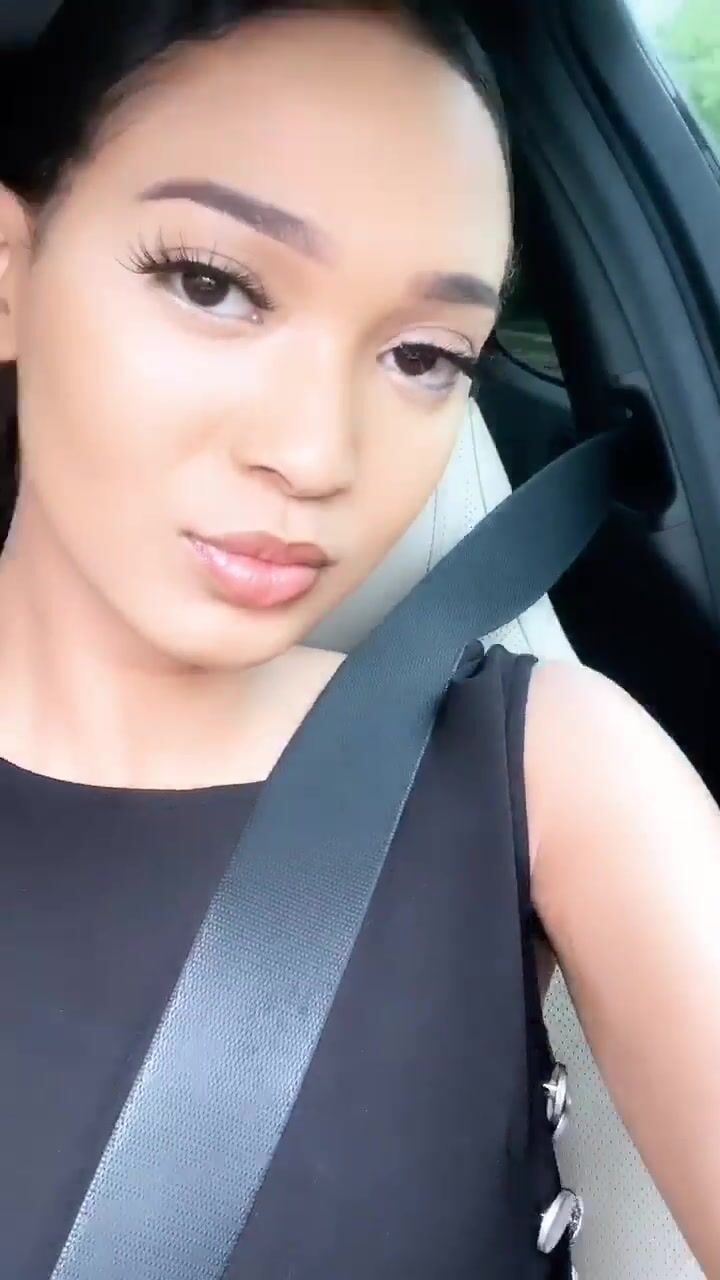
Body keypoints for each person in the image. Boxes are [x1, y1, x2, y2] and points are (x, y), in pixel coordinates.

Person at [0, 1, 718, 1276]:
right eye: (214, 284)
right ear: (8, 271)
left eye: (425, 355)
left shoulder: (553, 770)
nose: (317, 453)